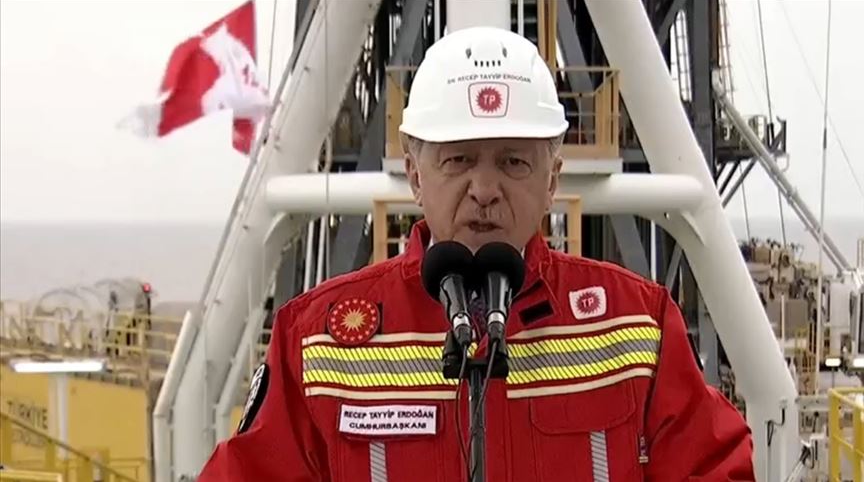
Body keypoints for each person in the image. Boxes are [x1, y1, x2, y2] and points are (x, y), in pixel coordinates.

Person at [198, 26, 754, 482]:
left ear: (551, 179)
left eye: (513, 162)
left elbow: (714, 468)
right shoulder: (318, 341)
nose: (485, 189)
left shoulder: (636, 328)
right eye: (458, 160)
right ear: (416, 175)